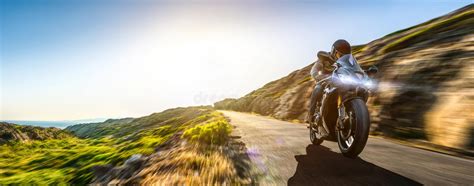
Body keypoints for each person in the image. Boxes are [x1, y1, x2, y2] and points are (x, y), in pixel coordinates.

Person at [306, 39, 351, 123]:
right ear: (334, 51)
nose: (341, 57)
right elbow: (314, 70)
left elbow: (352, 69)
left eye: (344, 55)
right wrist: (317, 76)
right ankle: (310, 115)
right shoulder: (324, 58)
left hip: (340, 81)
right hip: (324, 81)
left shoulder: (347, 61)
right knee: (317, 89)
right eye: (340, 54)